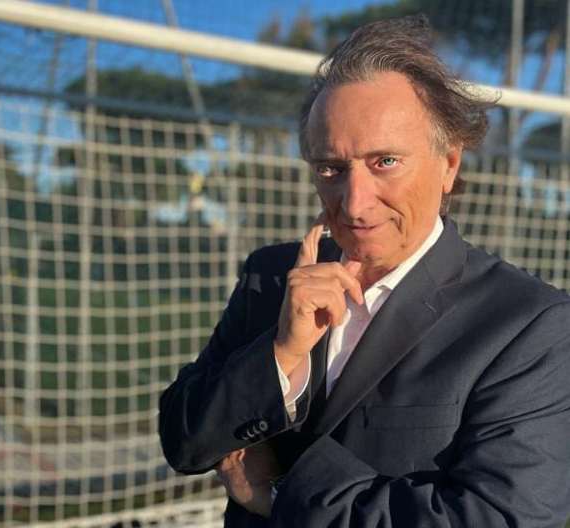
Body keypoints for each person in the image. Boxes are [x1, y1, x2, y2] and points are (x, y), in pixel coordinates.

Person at [159, 15, 570, 528]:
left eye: (385, 162)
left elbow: (499, 517)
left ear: (449, 164)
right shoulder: (272, 276)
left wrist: (282, 495)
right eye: (330, 168)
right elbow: (183, 442)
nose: (354, 204)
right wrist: (281, 354)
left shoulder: (530, 324)